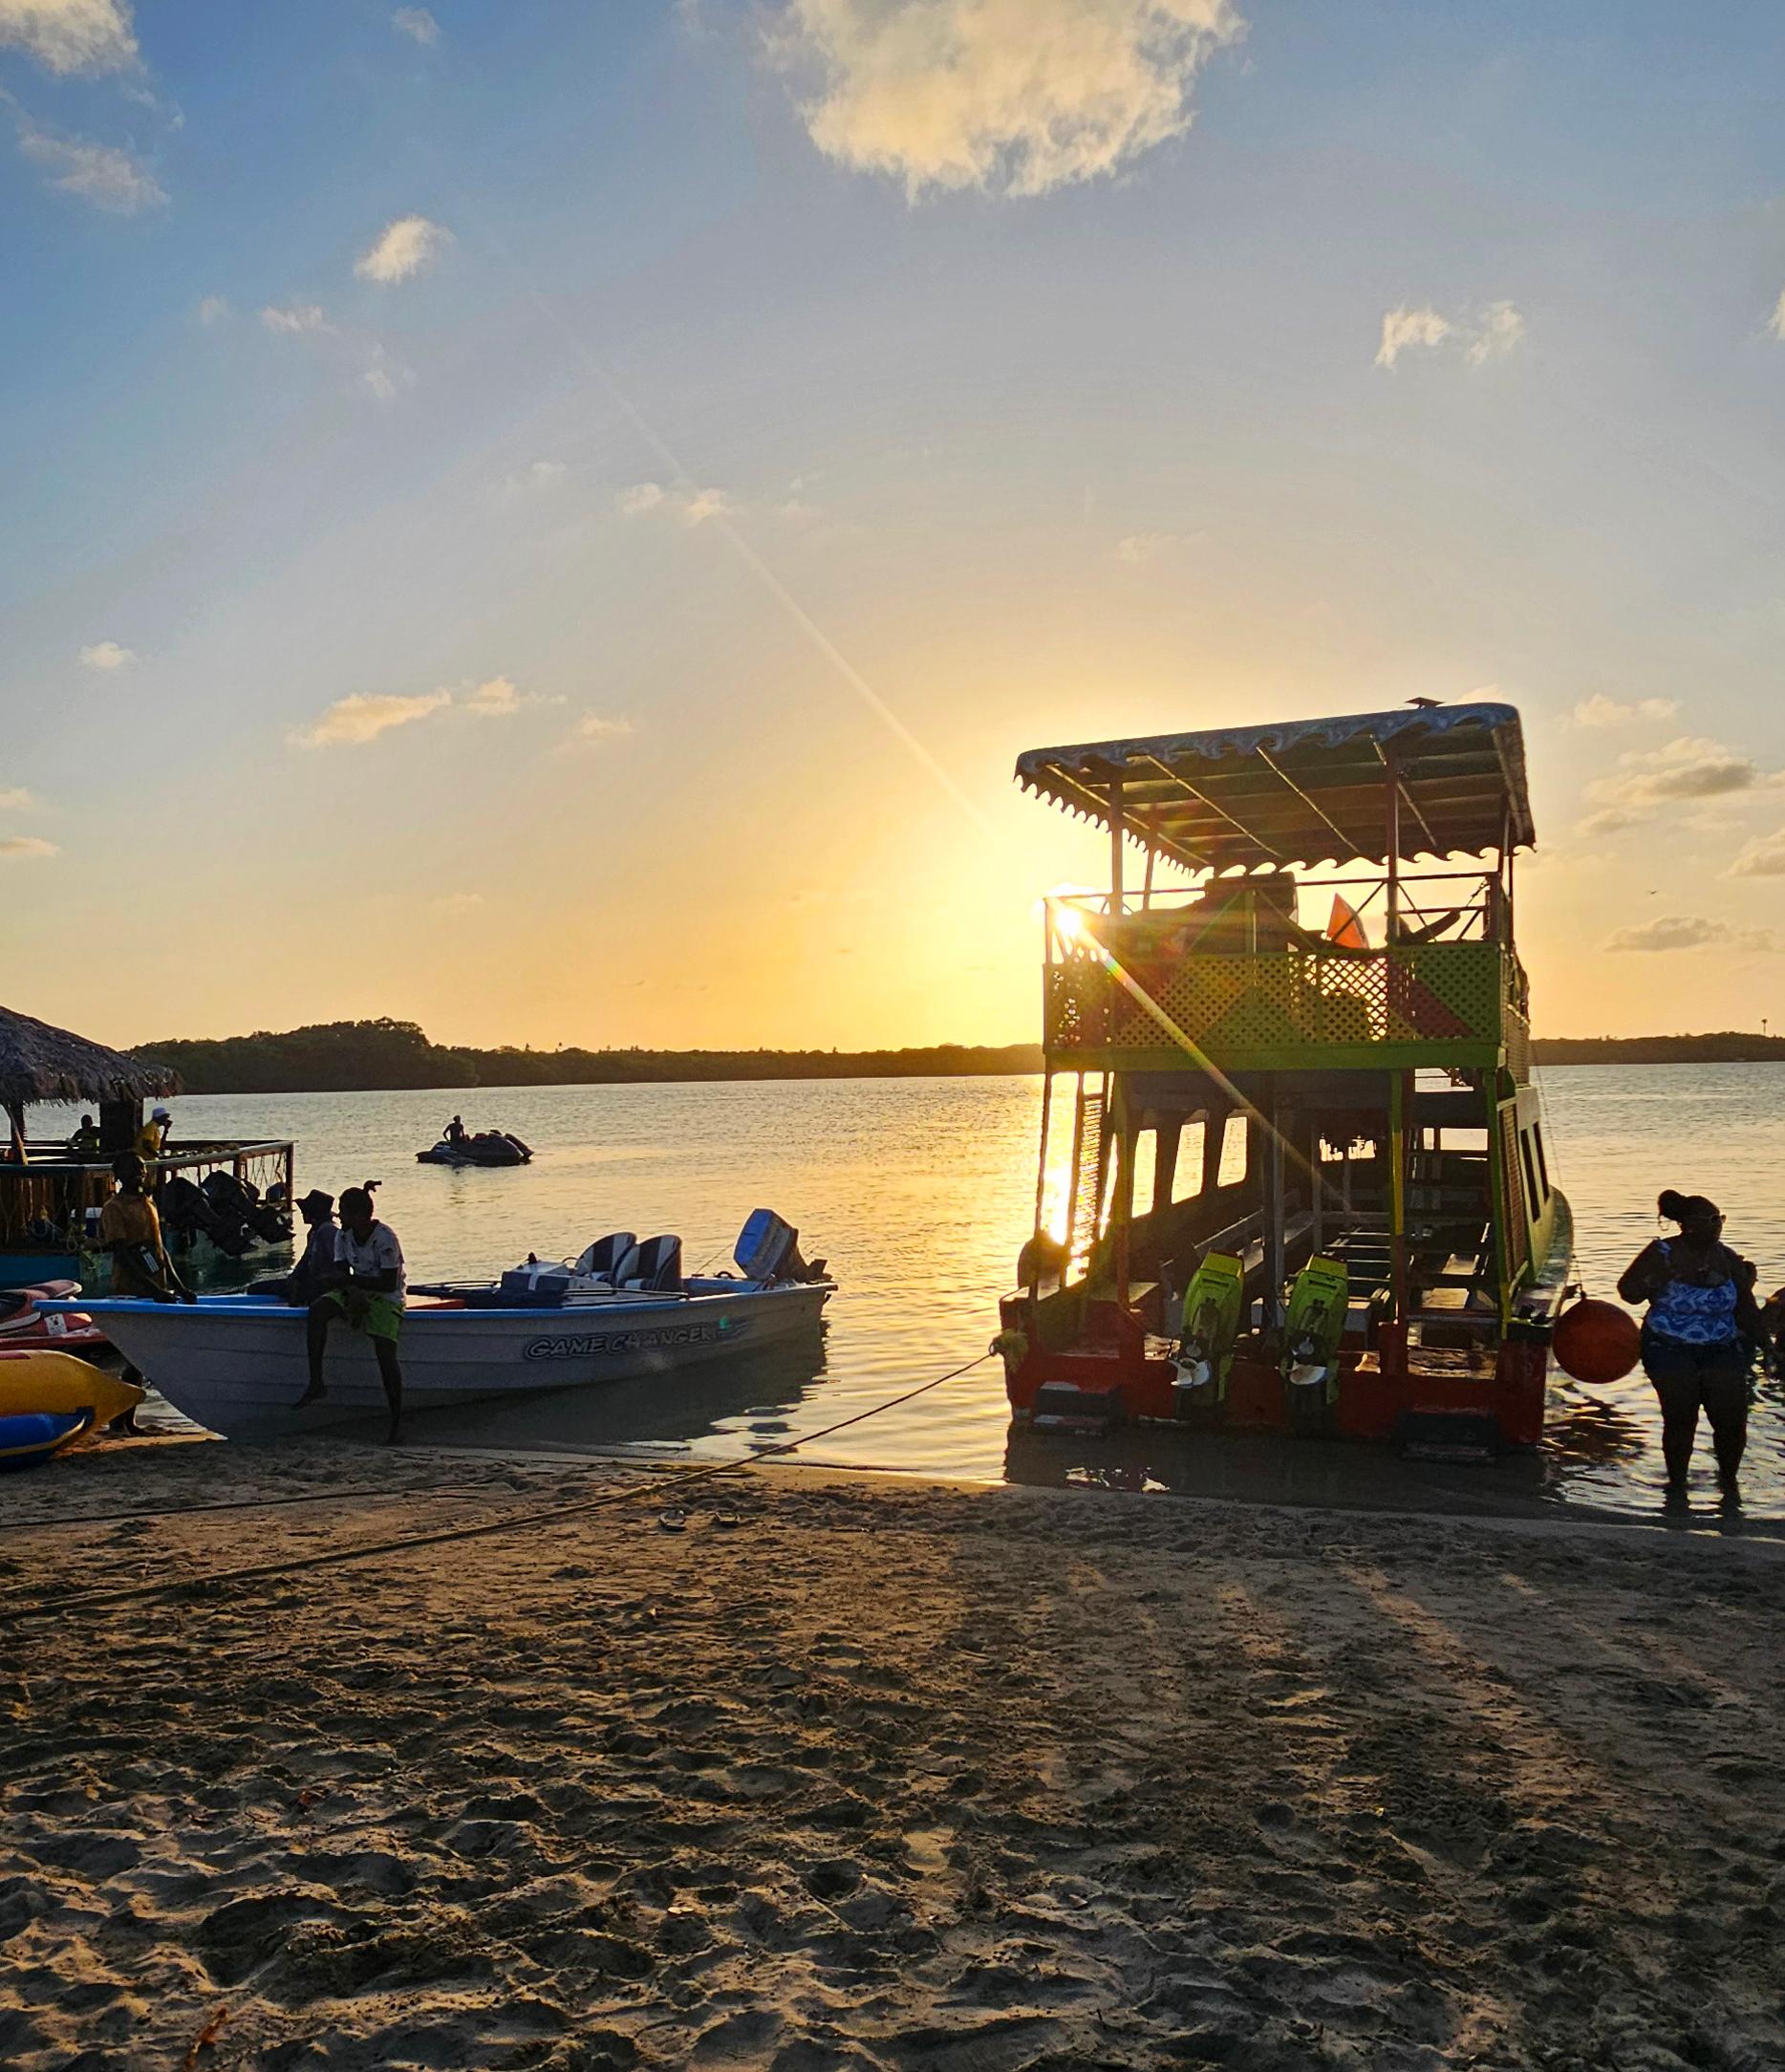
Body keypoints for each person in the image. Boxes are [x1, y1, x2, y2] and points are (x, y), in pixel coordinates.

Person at [1618, 1190, 1761, 1506]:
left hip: (1721, 1346)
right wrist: (1658, 1278)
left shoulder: (1726, 1257)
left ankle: (1729, 1486)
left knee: (1732, 1420)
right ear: (1689, 1225)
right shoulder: (1661, 1253)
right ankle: (1677, 1488)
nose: (1718, 1225)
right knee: (1681, 1419)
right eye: (1712, 1219)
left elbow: (1746, 1308)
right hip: (1668, 1346)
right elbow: (1627, 1292)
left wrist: (1768, 1347)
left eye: (1720, 1218)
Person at [296, 1181, 404, 1441]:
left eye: (344, 1212)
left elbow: (388, 1283)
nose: (340, 1218)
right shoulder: (343, 1237)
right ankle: (316, 1381)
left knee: (385, 1353)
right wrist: (352, 1291)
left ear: (359, 1216)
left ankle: (396, 1423)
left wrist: (352, 1285)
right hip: (355, 1289)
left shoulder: (385, 1239)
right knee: (319, 1309)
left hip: (387, 1297)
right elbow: (341, 1272)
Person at [97, 1152, 195, 1431]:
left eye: (141, 1169)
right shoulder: (114, 1208)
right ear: (119, 1175)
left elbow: (160, 1250)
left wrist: (178, 1286)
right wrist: (153, 1291)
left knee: (140, 1360)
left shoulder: (148, 1203)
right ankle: (121, 1419)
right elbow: (122, 1254)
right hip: (130, 1290)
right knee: (136, 1357)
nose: (140, 1174)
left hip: (155, 1288)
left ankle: (122, 1419)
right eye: (133, 1170)